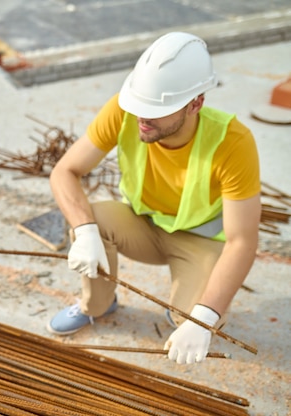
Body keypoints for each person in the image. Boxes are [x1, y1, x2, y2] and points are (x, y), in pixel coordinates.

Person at [46, 32, 261, 365]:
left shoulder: (233, 142)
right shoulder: (126, 110)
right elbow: (65, 172)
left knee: (198, 320)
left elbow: (242, 241)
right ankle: (97, 304)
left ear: (195, 104)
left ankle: (184, 309)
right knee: (91, 221)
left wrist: (203, 317)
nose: (141, 118)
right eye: (138, 106)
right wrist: (85, 231)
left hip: (199, 240)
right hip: (142, 224)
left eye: (155, 110)